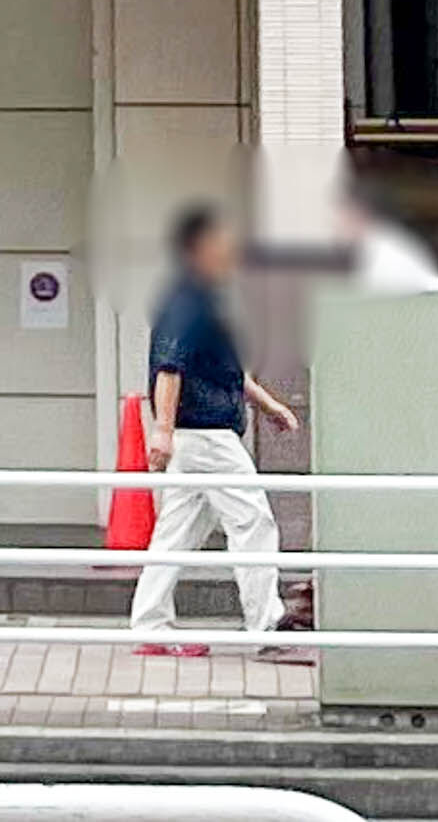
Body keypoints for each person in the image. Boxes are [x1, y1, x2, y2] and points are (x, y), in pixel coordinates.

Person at [129, 204, 304, 659]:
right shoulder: (190, 301)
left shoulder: (199, 298)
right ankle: (266, 625)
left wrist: (270, 406)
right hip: (206, 434)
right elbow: (170, 366)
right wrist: (162, 430)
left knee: (178, 532)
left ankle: (150, 623)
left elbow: (222, 372)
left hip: (195, 435)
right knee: (253, 521)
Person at [340, 183, 438, 295]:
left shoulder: (383, 251)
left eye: (344, 215)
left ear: (360, 214)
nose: (339, 224)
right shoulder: (376, 242)